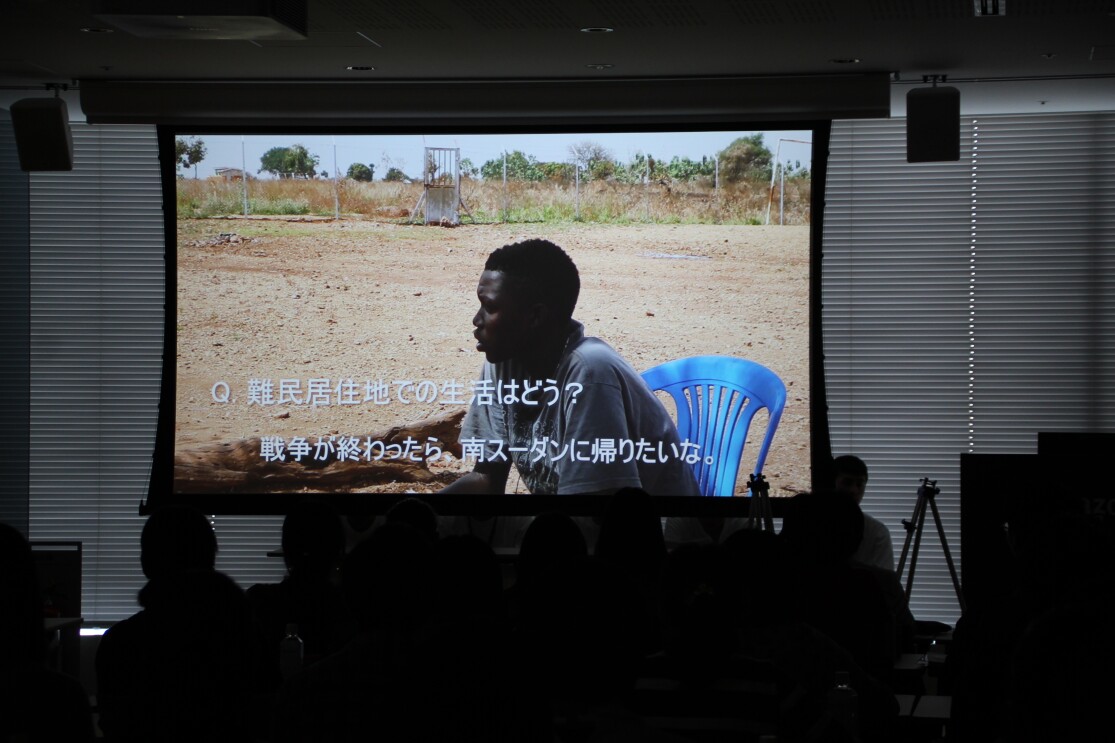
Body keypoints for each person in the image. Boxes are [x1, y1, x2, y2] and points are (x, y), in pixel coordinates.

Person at [442, 238, 699, 496]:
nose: (477, 320)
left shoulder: (589, 373)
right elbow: (487, 478)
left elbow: (592, 513)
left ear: (535, 316)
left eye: (490, 307)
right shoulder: (505, 359)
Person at [833, 454, 895, 571]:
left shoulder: (877, 533)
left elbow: (883, 583)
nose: (854, 490)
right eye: (847, 483)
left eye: (859, 484)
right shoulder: (877, 532)